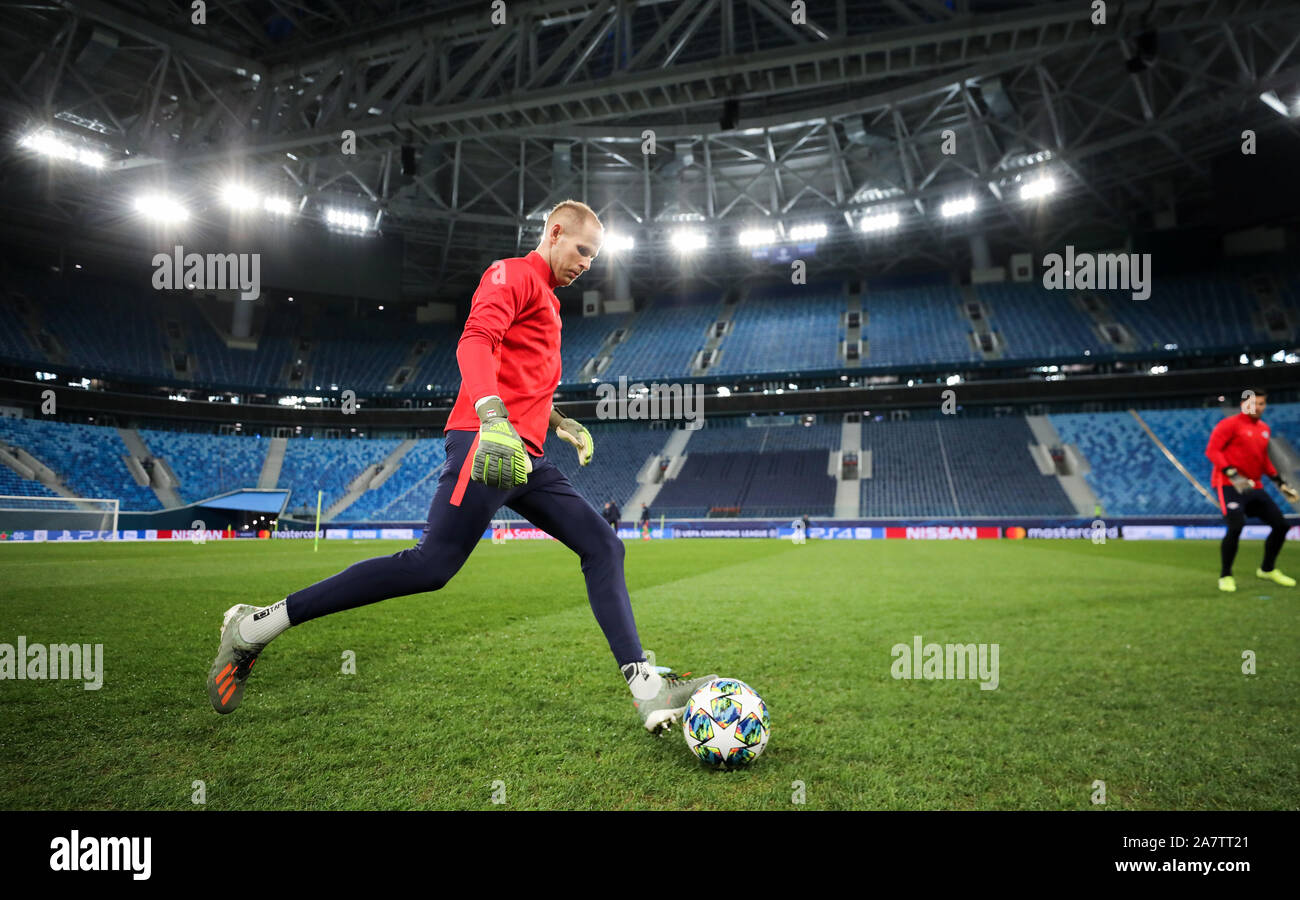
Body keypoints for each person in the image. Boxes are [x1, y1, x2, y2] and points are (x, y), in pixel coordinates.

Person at [207, 199, 714, 732]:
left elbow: (521, 376)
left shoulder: (549, 300)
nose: (587, 263)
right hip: (487, 443)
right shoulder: (511, 274)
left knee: (604, 544)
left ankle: (646, 688)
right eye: (582, 250)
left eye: (594, 257)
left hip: (526, 456)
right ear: (556, 232)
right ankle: (255, 626)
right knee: (432, 567)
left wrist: (559, 421)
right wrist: (492, 417)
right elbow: (476, 341)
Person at [1206, 388, 1298, 592]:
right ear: (1243, 404)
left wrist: (1279, 481)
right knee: (1236, 525)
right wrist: (1231, 472)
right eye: (1253, 403)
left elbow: (1263, 458)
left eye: (1261, 403)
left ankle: (1267, 569)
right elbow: (1212, 450)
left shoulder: (1264, 429)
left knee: (1281, 525)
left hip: (1254, 485)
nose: (1257, 407)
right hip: (1228, 484)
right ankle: (1226, 575)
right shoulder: (1229, 425)